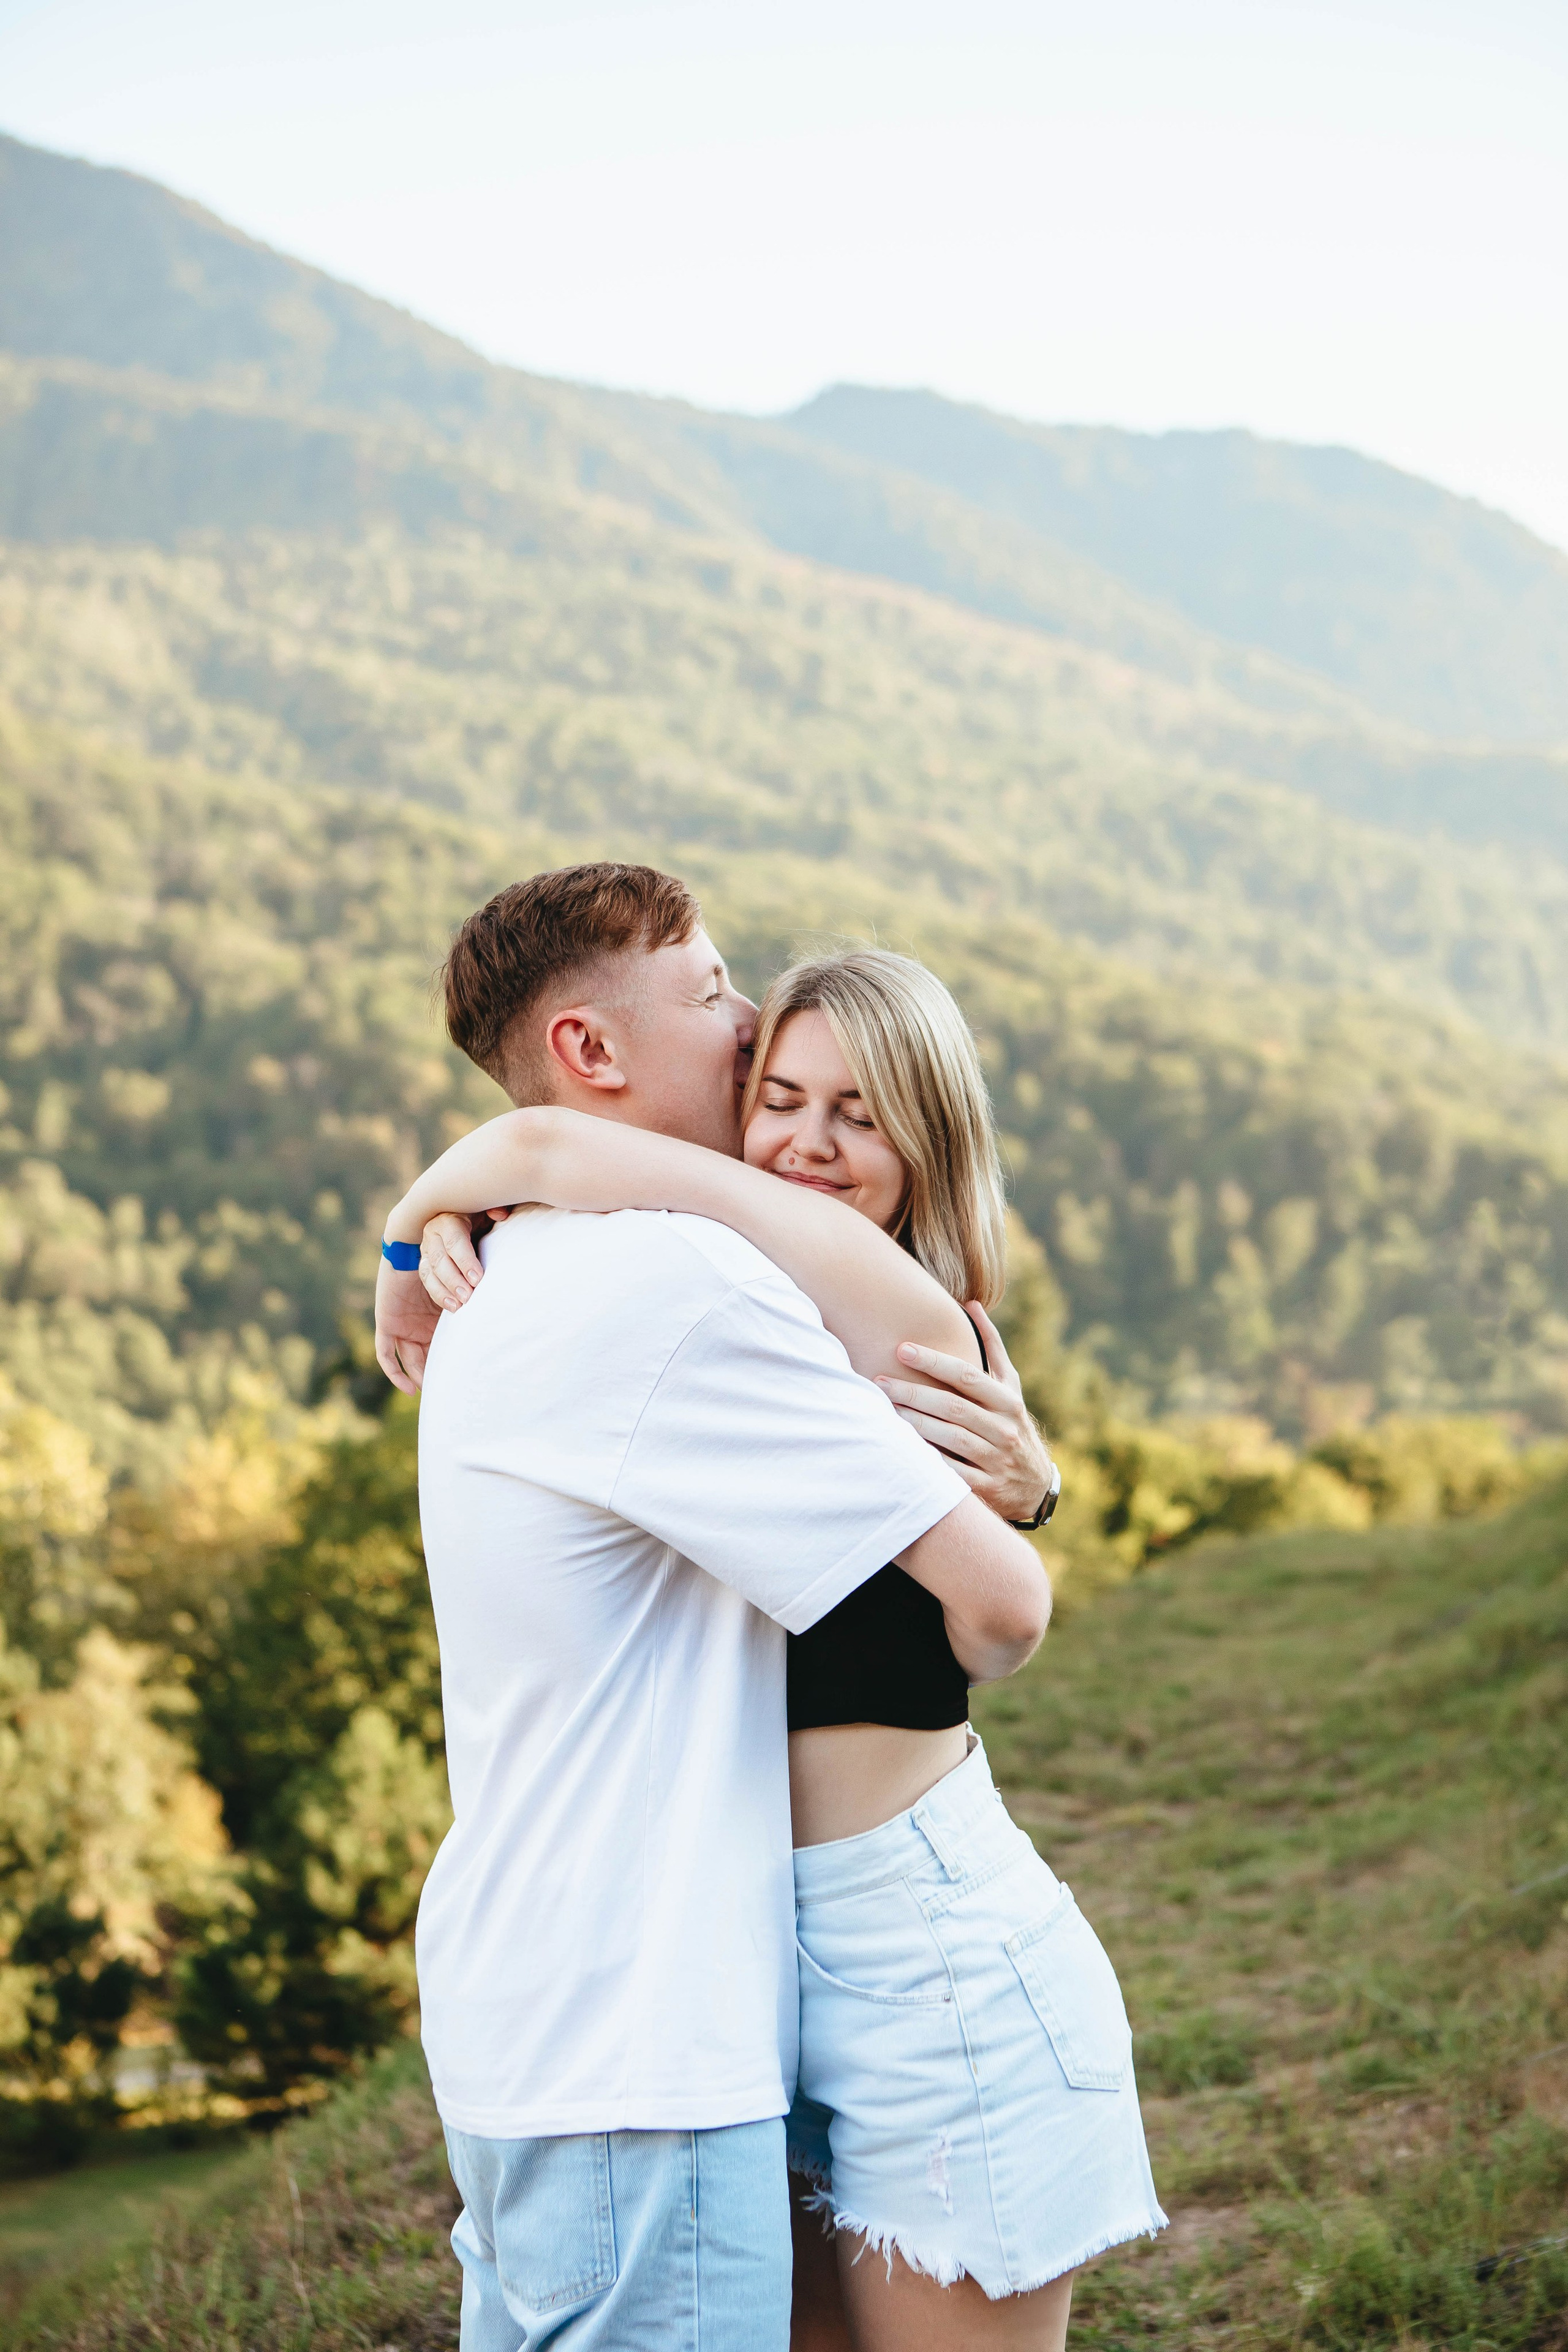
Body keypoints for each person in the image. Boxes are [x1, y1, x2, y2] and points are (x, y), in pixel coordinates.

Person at [380, 919, 1167, 2352]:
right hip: (750, 1972)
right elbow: (613, 1185)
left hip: (918, 1948)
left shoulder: (902, 1338)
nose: (805, 1143)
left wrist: (1026, 1490)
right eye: (777, 1097)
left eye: (859, 1116)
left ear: (927, 1144)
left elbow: (1000, 1624)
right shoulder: (718, 1288)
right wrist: (450, 1196)